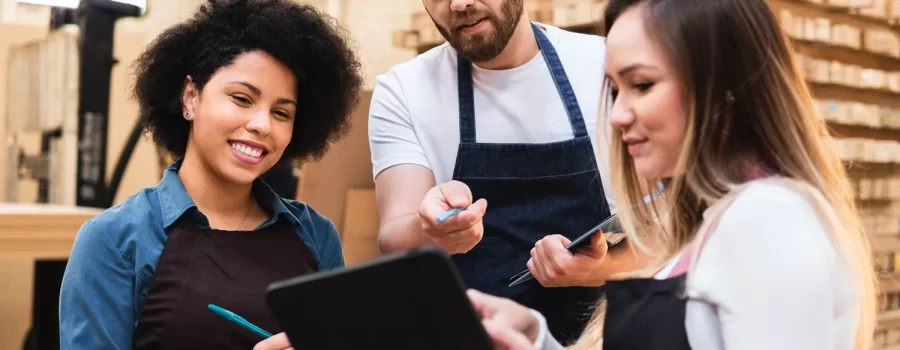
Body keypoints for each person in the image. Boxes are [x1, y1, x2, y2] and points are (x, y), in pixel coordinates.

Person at [467, 0, 877, 349]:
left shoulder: (767, 220)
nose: (617, 115)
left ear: (724, 84)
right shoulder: (715, 222)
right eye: (615, 91)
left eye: (642, 85)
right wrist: (536, 338)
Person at [58, 1, 363, 349]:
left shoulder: (316, 235)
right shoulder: (115, 240)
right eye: (242, 98)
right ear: (191, 96)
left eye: (281, 113)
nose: (262, 125)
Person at [368, 0, 642, 343]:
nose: (460, 4)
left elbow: (670, 235)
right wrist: (432, 229)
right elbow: (393, 236)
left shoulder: (605, 66)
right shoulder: (404, 90)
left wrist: (598, 270)